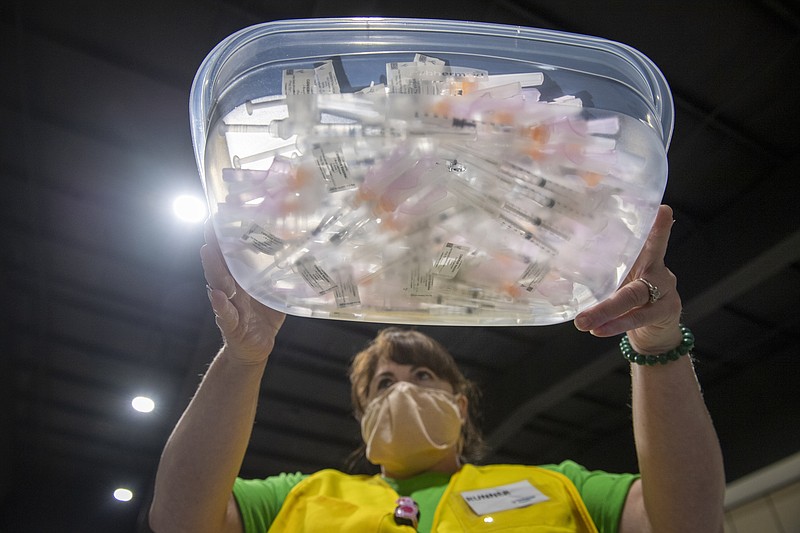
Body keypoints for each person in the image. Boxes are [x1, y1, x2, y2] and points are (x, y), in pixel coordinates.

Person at [149, 205, 725, 533]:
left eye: (424, 377)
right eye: (383, 383)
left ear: (461, 403)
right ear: (365, 417)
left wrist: (656, 342)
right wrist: (243, 356)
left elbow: (690, 521)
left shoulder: (560, 487)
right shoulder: (297, 499)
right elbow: (178, 519)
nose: (402, 389)